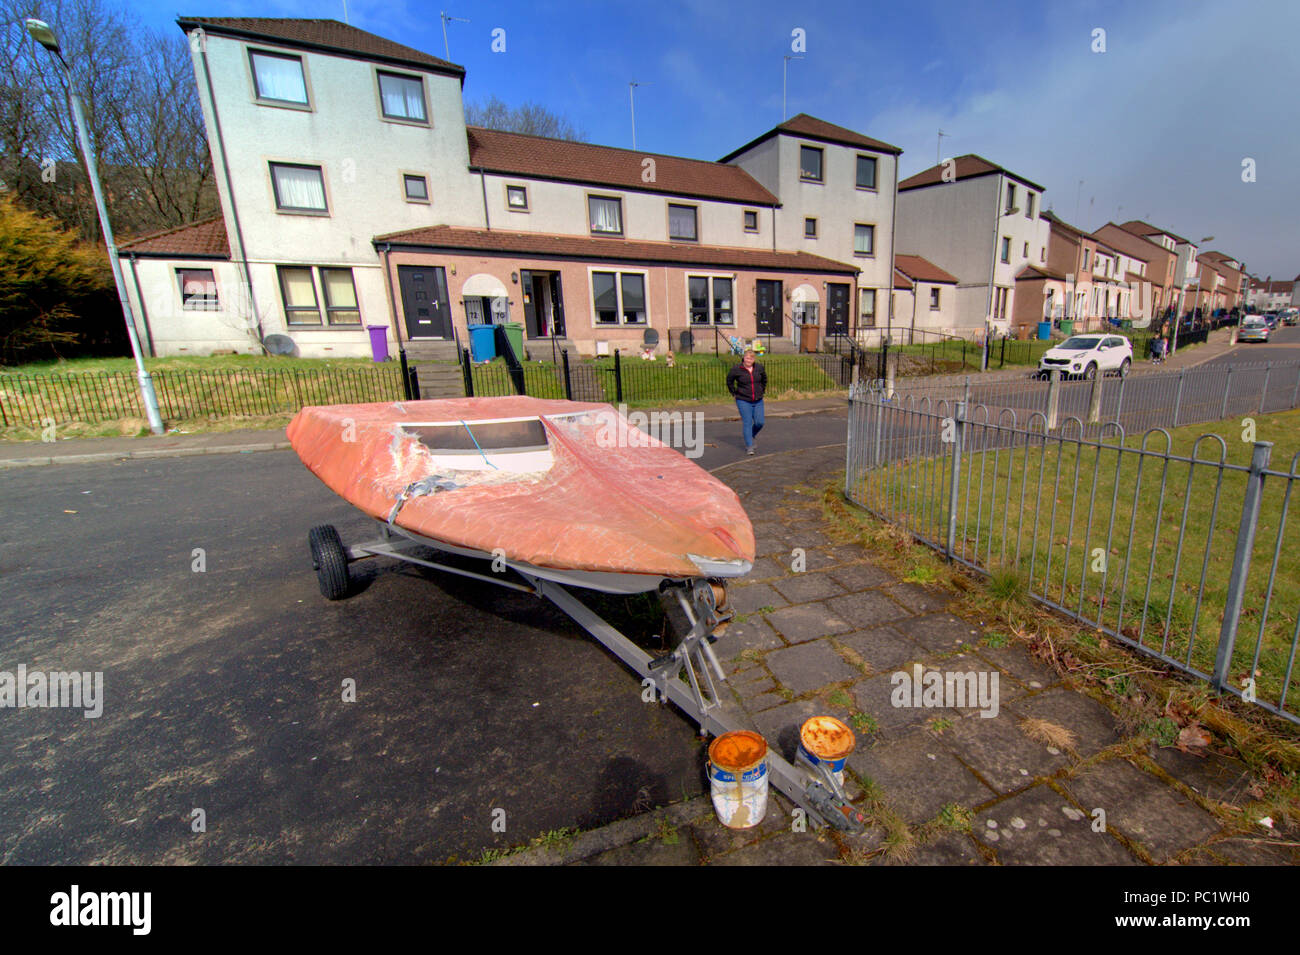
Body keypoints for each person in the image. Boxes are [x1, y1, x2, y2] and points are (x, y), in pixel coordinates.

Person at [726, 348, 766, 455]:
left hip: (758, 400)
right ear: (743, 358)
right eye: (747, 358)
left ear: (754, 360)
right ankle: (749, 446)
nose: (749, 360)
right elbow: (729, 380)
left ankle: (751, 435)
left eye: (751, 358)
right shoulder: (736, 369)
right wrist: (734, 393)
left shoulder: (759, 368)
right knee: (747, 422)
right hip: (743, 400)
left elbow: (764, 379)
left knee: (760, 422)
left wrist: (761, 390)